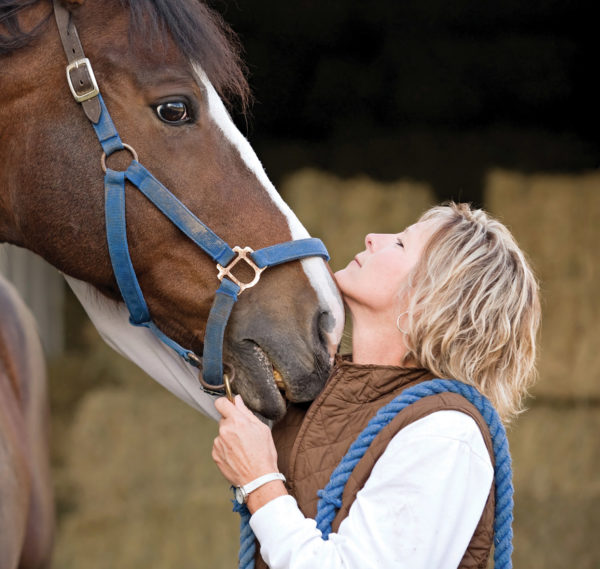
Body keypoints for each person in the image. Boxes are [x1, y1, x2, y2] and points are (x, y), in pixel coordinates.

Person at [211, 202, 539, 569]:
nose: (372, 238)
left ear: (431, 298)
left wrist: (259, 482)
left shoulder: (446, 434)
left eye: (400, 244)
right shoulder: (312, 390)